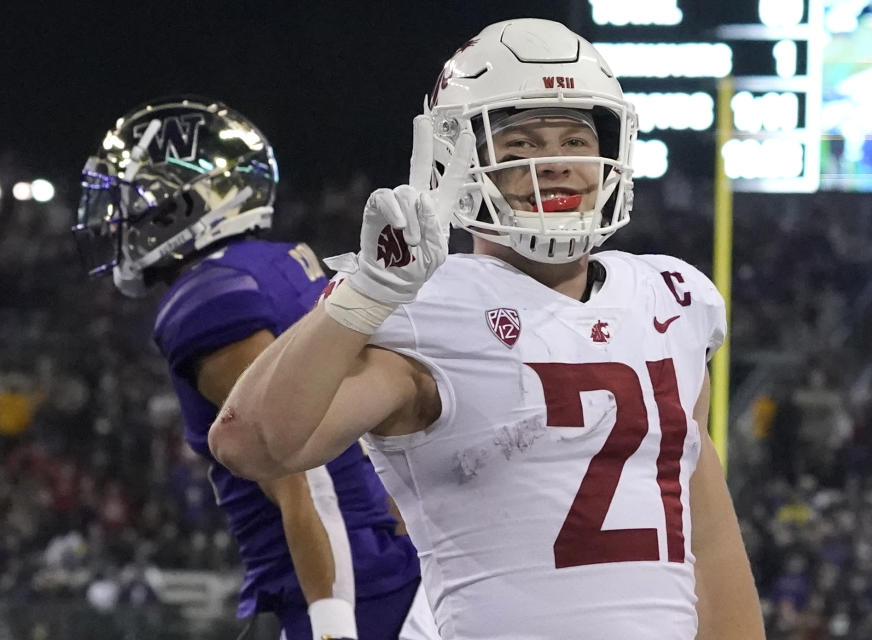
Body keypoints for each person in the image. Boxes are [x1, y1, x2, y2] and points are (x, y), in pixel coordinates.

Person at [209, 19, 765, 639]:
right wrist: (364, 296)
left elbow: (709, 539)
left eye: (573, 140)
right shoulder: (427, 308)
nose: (553, 164)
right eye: (521, 145)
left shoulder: (669, 299)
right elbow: (249, 445)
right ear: (458, 160)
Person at [72, 96, 438, 640]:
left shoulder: (206, 298)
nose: (123, 218)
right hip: (390, 562)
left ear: (186, 205)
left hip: (342, 581)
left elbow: (300, 473)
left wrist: (331, 620)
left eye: (140, 198)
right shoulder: (283, 262)